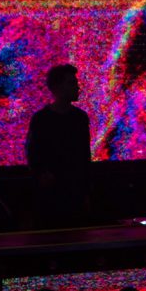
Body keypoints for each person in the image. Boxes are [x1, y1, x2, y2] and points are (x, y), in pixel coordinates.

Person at [25, 64, 92, 228]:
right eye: (72, 83)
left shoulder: (80, 118)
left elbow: (84, 155)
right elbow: (33, 153)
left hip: (74, 192)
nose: (77, 87)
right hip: (50, 195)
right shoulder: (41, 119)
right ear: (57, 87)